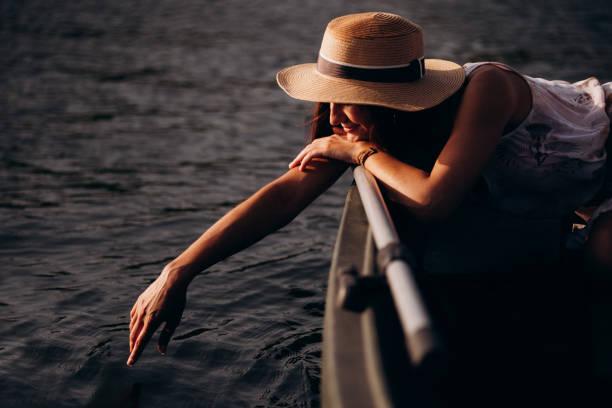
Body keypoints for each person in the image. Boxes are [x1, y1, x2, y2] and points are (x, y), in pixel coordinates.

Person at [127, 12, 612, 368]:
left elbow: (433, 201)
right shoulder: (374, 130)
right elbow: (287, 193)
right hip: (585, 190)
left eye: (352, 101)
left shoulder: (488, 89)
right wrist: (178, 271)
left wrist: (357, 154)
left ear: (395, 102)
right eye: (330, 97)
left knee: (600, 263)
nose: (335, 117)